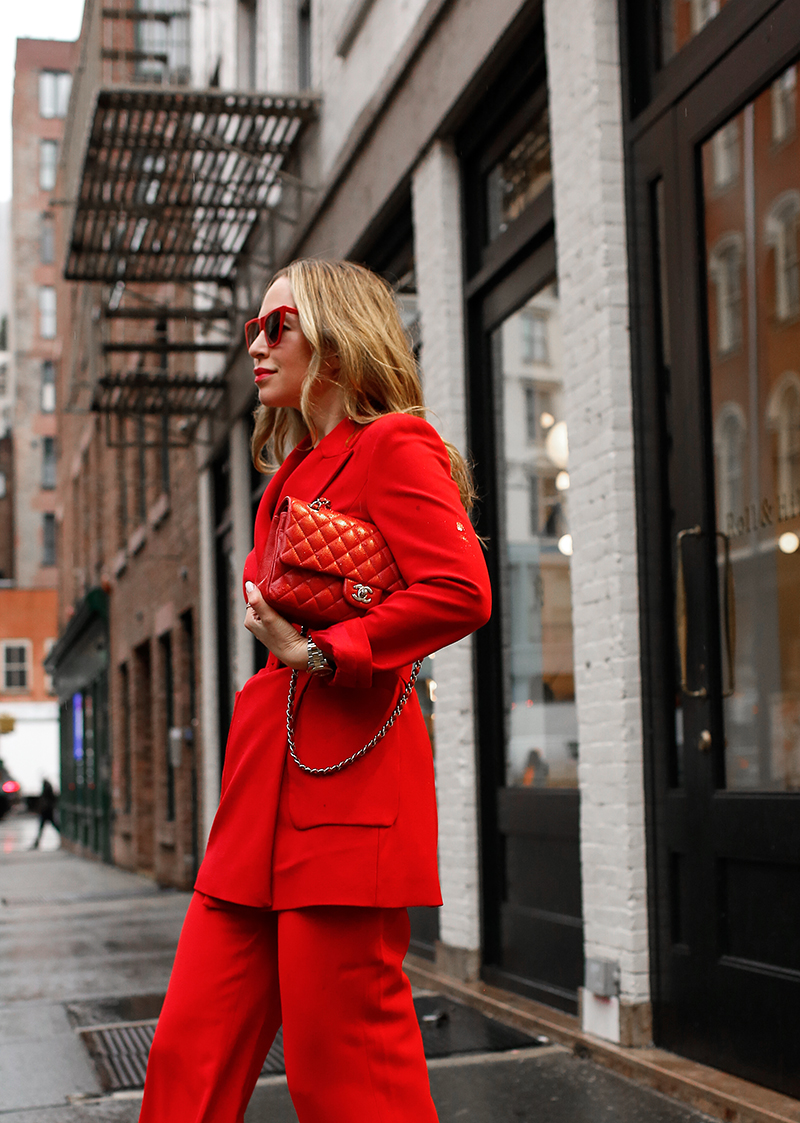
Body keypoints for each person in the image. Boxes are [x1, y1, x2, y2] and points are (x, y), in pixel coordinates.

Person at [138, 259, 492, 1122]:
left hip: (345, 796)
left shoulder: (394, 445)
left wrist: (324, 651)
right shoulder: (282, 482)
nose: (256, 346)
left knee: (347, 1077)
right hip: (259, 801)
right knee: (188, 1053)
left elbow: (460, 589)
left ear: (335, 335)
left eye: (276, 325)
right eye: (251, 330)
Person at [30, 778, 59, 849]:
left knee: (42, 828)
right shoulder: (49, 791)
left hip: (46, 812)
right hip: (47, 811)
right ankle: (36, 843)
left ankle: (36, 843)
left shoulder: (46, 792)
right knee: (45, 827)